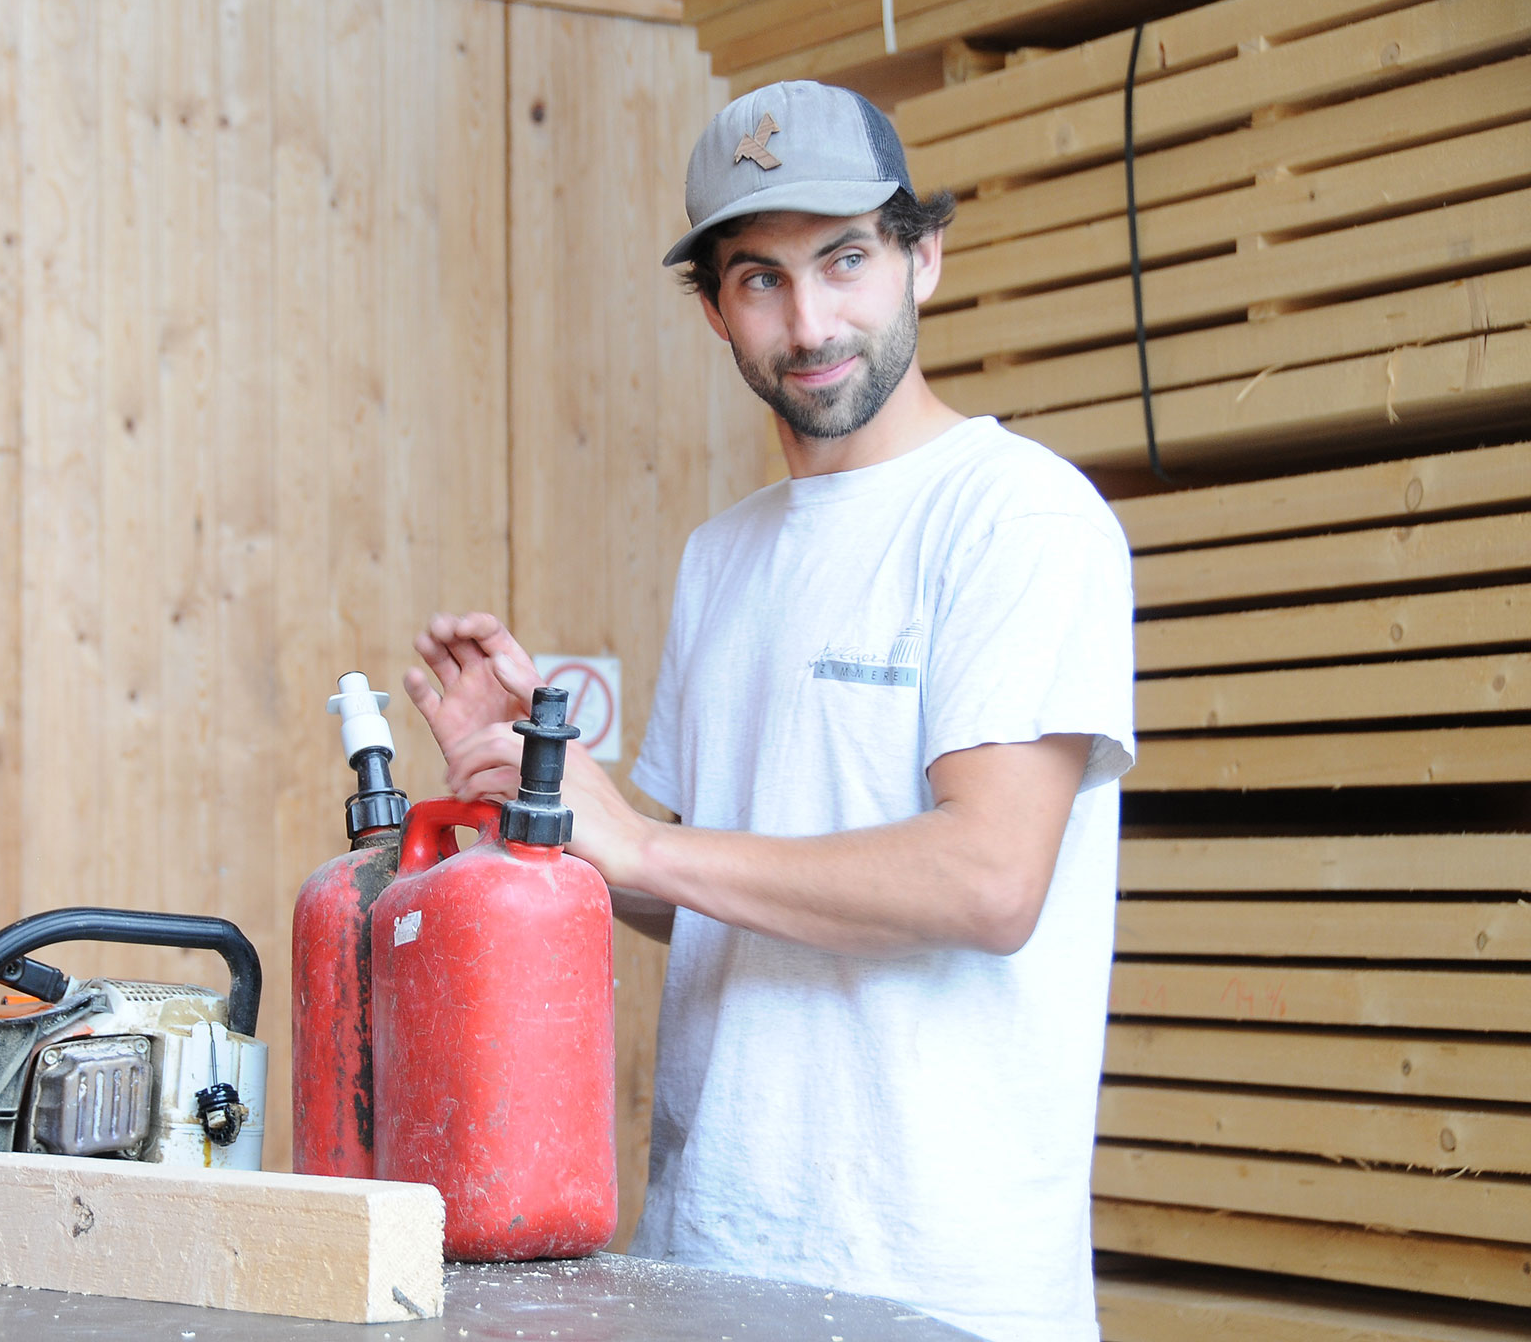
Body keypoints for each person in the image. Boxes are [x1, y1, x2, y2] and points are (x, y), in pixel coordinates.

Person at [403, 80, 1133, 1342]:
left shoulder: (1017, 517)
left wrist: (644, 845)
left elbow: (986, 880)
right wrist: (545, 804)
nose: (808, 322)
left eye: (845, 260)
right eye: (760, 280)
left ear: (921, 258)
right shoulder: (723, 556)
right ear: (714, 310)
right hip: (708, 1255)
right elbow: (697, 893)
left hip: (934, 1286)